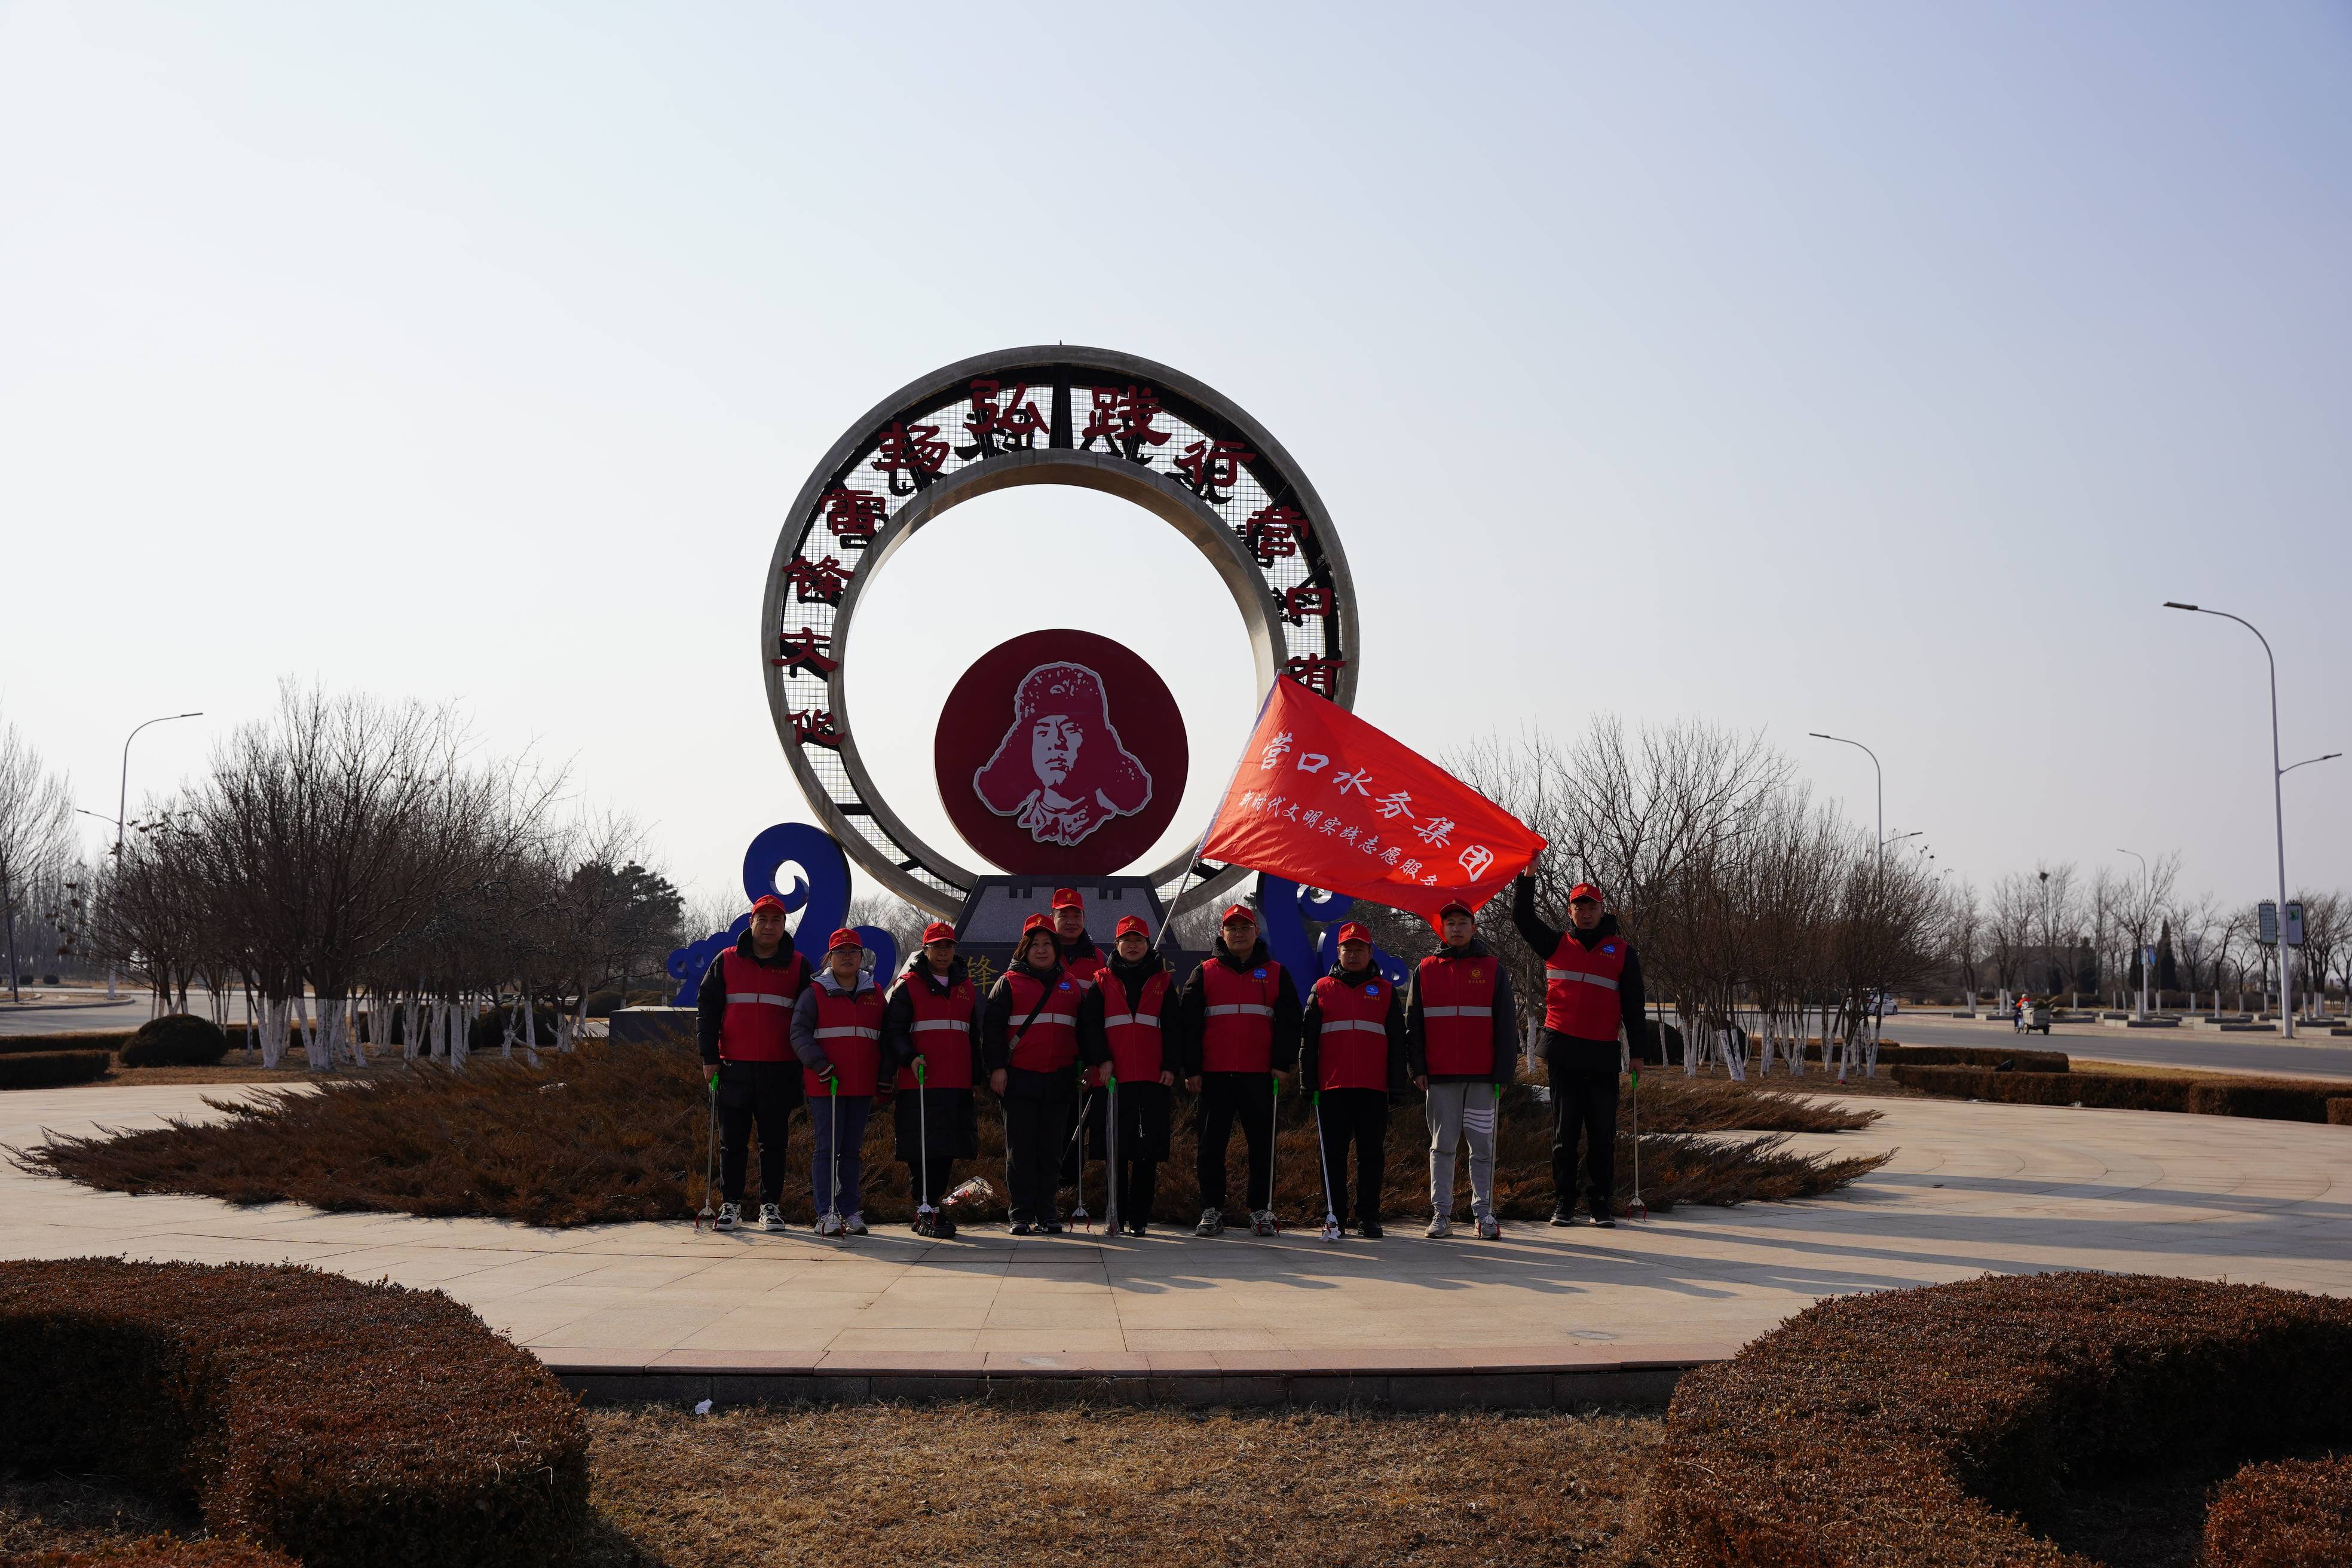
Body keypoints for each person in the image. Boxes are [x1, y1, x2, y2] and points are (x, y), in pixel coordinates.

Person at [1512, 875, 1649, 1228]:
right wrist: (1527, 877)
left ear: (1602, 910)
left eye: (1592, 907)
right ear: (1570, 911)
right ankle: (1564, 1202)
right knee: (1565, 1134)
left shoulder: (1622, 951)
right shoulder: (1556, 944)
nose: (1586, 914)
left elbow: (1634, 1006)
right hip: (1563, 1052)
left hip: (1602, 1053)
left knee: (1602, 1134)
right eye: (1579, 907)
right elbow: (1522, 917)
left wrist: (1637, 1053)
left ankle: (1600, 1203)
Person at [1175, 904, 1302, 1238]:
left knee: (1262, 1146)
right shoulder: (1205, 972)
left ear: (1256, 932)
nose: (1239, 933)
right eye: (1232, 928)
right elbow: (1188, 1025)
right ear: (1223, 933)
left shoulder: (1276, 972)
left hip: (1259, 1076)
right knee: (1210, 1147)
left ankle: (1260, 1210)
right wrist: (1192, 1069)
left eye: (1245, 927)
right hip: (1214, 1076)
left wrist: (1281, 1064)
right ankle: (1212, 1210)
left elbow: (1290, 1023)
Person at [695, 893, 813, 1232]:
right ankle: (730, 1205)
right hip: (733, 1066)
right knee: (732, 1142)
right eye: (763, 919)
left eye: (777, 920)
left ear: (784, 925)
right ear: (751, 923)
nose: (770, 926)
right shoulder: (726, 960)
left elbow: (811, 1016)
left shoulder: (799, 965)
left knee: (774, 1144)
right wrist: (709, 1057)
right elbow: (707, 1011)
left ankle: (770, 1207)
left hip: (780, 1068)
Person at [982, 914, 1107, 1236]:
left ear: (1056, 949)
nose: (1041, 950)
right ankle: (1021, 1213)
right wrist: (997, 1069)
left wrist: (1091, 1065)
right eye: (1034, 944)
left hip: (1060, 1079)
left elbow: (1085, 1030)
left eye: (1047, 944)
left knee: (1052, 1152)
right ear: (1024, 950)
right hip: (1019, 1078)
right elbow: (992, 1031)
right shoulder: (1008, 983)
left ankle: (1047, 1212)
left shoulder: (1071, 985)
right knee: (1021, 1151)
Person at [1405, 900, 1519, 1239]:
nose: (1456, 928)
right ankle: (1441, 1214)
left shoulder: (1493, 968)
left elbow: (1506, 1025)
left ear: (1474, 928)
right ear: (1442, 929)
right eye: (1450, 923)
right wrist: (1417, 1067)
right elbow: (1414, 1024)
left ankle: (1484, 1214)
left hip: (1483, 1078)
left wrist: (1503, 1072)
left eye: (1462, 922)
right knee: (1442, 1147)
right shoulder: (1425, 969)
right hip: (1441, 1078)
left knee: (1482, 1148)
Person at [1300, 921, 1407, 1238]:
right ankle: (1334, 1215)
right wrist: (1308, 1082)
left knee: (1371, 1155)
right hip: (1332, 1088)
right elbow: (1308, 1041)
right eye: (1348, 948)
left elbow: (1398, 1041)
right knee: (1332, 1156)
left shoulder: (1385, 991)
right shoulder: (1322, 989)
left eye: (1360, 948)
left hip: (1373, 1088)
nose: (1354, 954)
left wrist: (1397, 1084)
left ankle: (1368, 1216)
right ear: (1338, 952)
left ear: (1370, 953)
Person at [884, 920, 984, 1238]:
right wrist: (909, 1057)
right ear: (925, 950)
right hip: (921, 1082)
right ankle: (923, 1207)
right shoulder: (908, 986)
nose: (943, 952)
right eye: (937, 946)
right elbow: (894, 1031)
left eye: (948, 946)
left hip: (957, 1082)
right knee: (922, 1147)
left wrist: (977, 1076)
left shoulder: (966, 986)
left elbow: (973, 1035)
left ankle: (935, 1204)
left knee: (947, 1147)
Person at [1083, 914, 1179, 1236]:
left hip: (1152, 1078)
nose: (1133, 945)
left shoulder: (1163, 981)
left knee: (1146, 1152)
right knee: (1116, 1151)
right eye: (1127, 940)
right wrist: (1102, 1060)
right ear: (1117, 944)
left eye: (1139, 940)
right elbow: (1090, 1026)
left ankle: (1139, 1218)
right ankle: (1115, 1215)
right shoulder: (1101, 981)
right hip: (1113, 1079)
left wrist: (1170, 1065)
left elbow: (1174, 1027)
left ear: (1148, 945)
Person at [791, 929, 887, 1238]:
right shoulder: (814, 993)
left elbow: (886, 1036)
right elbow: (799, 1033)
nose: (847, 957)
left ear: (861, 957)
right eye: (841, 952)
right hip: (827, 1084)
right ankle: (825, 1213)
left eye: (853, 951)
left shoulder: (875, 992)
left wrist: (884, 1075)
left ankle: (850, 1210)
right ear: (830, 958)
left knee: (852, 1151)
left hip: (861, 1085)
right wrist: (819, 1063)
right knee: (827, 1149)